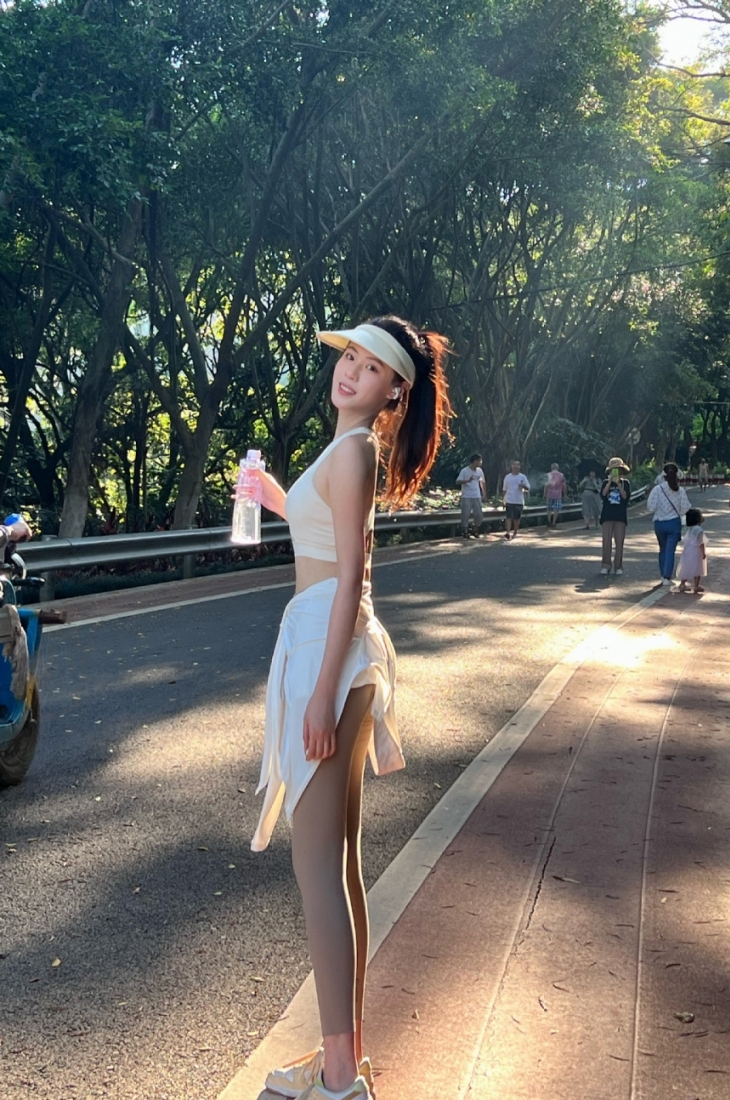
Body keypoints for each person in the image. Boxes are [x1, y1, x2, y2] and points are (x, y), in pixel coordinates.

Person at [250, 316, 452, 1100]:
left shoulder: (356, 449)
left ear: (394, 390)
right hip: (334, 651)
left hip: (328, 654)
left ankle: (338, 1079)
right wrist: (275, 498)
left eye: (371, 369)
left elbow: (350, 579)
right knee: (339, 867)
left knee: (317, 873)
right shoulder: (346, 450)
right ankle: (346, 1061)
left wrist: (321, 693)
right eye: (351, 358)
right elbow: (328, 545)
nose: (351, 372)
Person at [646, 466, 691, 586]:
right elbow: (685, 508)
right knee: (670, 550)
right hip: (673, 523)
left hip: (659, 523)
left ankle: (662, 575)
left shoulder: (657, 489)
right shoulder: (680, 490)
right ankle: (667, 576)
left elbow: (651, 507)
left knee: (662, 549)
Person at [599, 457, 631, 575]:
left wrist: (618, 484)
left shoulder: (625, 483)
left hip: (620, 516)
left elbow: (625, 497)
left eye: (618, 470)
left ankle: (618, 566)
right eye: (614, 470)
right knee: (606, 542)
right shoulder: (605, 483)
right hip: (607, 516)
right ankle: (605, 565)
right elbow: (603, 495)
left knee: (619, 542)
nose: (616, 472)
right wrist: (609, 482)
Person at [677, 508, 707, 594]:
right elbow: (700, 542)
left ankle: (682, 584)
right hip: (696, 551)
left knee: (687, 567)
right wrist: (703, 553)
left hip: (688, 550)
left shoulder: (690, 529)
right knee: (698, 568)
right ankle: (696, 586)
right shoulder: (699, 530)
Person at [456, 453, 486, 539]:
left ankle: (475, 528)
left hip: (476, 495)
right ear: (475, 461)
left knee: (479, 514)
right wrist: (467, 481)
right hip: (466, 495)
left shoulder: (479, 471)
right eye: (479, 461)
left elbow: (482, 482)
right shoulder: (465, 471)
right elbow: (457, 481)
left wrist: (484, 494)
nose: (481, 462)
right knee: (465, 514)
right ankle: (465, 531)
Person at [502, 460, 530, 540]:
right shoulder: (507, 477)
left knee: (516, 518)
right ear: (511, 466)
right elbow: (504, 489)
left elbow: (528, 488)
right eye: (514, 465)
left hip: (518, 501)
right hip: (509, 500)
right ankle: (508, 532)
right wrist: (503, 500)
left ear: (519, 467)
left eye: (517, 465)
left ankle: (515, 532)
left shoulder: (522, 477)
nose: (515, 466)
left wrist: (523, 486)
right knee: (508, 516)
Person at [544, 463, 566, 528]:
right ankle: (553, 523)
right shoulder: (561, 475)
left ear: (551, 468)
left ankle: (549, 521)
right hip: (558, 495)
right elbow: (564, 485)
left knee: (549, 508)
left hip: (549, 494)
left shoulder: (548, 475)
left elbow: (546, 485)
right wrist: (565, 494)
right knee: (556, 509)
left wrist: (544, 494)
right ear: (558, 468)